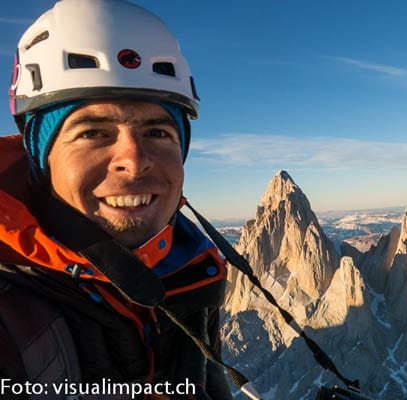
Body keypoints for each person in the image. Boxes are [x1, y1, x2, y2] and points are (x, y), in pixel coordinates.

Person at [0, 0, 233, 399]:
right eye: (93, 132)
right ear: (41, 158)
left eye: (158, 132)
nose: (135, 161)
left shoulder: (190, 271)